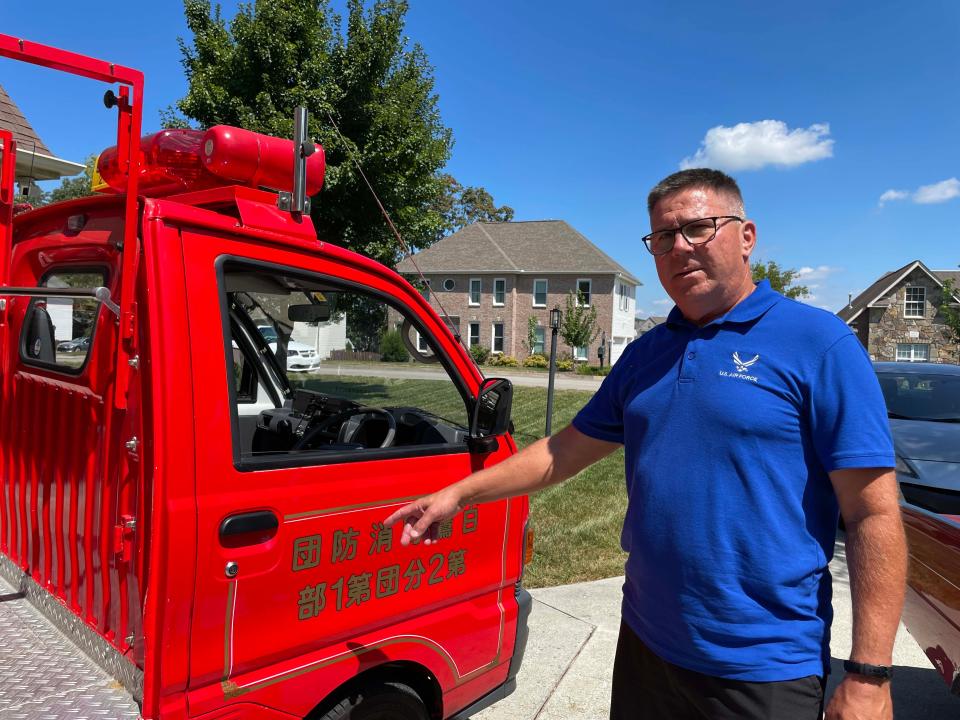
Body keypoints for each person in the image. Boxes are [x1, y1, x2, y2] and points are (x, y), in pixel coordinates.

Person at [385, 168, 906, 720]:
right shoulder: (645, 354)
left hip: (764, 665)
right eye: (663, 237)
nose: (679, 248)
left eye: (698, 228)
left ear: (746, 236)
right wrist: (460, 494)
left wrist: (869, 675)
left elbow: (872, 512)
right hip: (646, 644)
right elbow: (563, 451)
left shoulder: (819, 343)